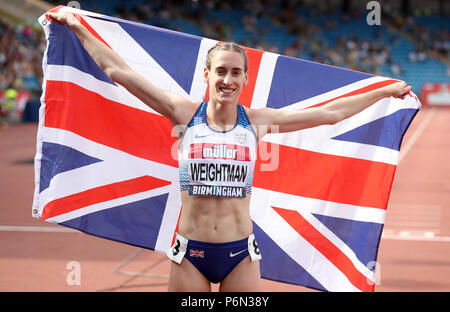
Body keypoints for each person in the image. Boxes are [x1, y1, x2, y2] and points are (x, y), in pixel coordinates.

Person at [47, 11, 412, 292]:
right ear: (207, 74)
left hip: (240, 254)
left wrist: (382, 91)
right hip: (190, 253)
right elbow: (118, 71)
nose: (228, 80)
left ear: (245, 79)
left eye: (236, 73)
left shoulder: (254, 121)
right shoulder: (183, 113)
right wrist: (75, 24)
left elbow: (331, 113)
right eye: (221, 71)